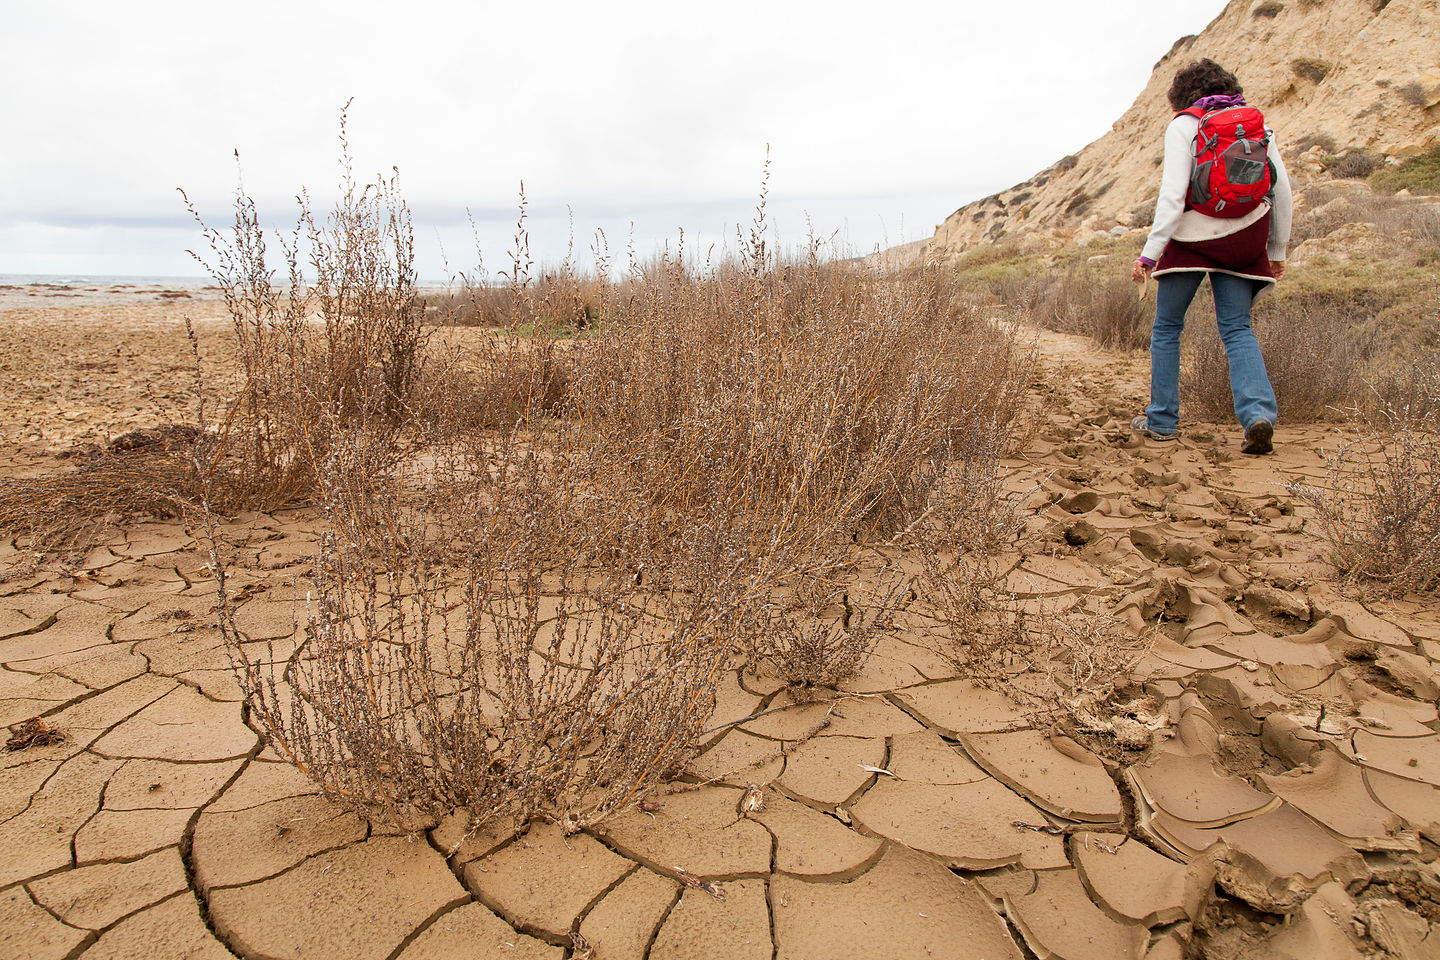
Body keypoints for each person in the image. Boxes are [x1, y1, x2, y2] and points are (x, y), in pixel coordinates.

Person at [1131, 58, 1292, 455]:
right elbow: (1282, 190)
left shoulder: (1183, 125)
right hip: (1244, 235)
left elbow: (1172, 196)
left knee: (1168, 328)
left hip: (1191, 237)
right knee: (1237, 328)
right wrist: (1278, 249)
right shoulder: (1258, 126)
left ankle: (1163, 420)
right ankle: (1258, 416)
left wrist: (1149, 255)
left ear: (1181, 95)